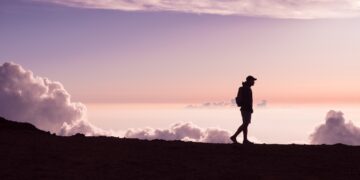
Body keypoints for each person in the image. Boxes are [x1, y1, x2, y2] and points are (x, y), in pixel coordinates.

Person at [230, 75, 257, 144]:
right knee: (245, 123)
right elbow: (247, 100)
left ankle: (245, 140)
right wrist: (249, 108)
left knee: (245, 124)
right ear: (249, 80)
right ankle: (234, 136)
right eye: (253, 80)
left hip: (246, 109)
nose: (254, 82)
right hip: (246, 109)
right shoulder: (246, 88)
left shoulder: (246, 88)